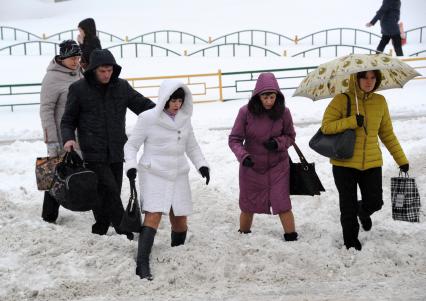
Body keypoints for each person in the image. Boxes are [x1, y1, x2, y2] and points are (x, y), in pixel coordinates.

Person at [61, 49, 155, 239]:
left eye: (109, 71)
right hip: (92, 151)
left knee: (107, 191)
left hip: (117, 150)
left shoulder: (122, 87)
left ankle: (100, 227)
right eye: (102, 71)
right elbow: (67, 120)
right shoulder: (79, 89)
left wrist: (165, 111)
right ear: (93, 70)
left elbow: (143, 106)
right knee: (110, 191)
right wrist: (68, 138)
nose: (106, 75)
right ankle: (126, 230)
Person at [124, 80, 210, 280]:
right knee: (153, 214)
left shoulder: (184, 119)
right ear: (164, 99)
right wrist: (131, 166)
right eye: (173, 100)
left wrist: (202, 164)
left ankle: (177, 254)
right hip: (153, 172)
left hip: (178, 173)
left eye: (180, 100)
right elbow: (131, 146)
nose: (176, 105)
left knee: (180, 220)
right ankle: (142, 263)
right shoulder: (147, 118)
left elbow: (192, 146)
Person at [321, 70, 409, 251]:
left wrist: (401, 160)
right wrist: (351, 121)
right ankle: (351, 241)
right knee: (348, 206)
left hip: (372, 163)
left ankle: (363, 211)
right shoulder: (342, 99)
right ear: (356, 78)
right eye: (364, 77)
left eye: (373, 78)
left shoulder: (380, 101)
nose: (369, 82)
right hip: (344, 163)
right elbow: (326, 127)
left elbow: (387, 134)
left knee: (375, 201)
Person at [228, 72, 297, 242]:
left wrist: (278, 143)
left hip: (278, 167)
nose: (268, 101)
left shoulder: (284, 112)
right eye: (264, 97)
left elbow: (290, 136)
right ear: (257, 96)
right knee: (247, 205)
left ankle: (291, 237)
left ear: (277, 96)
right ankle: (243, 235)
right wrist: (244, 156)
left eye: (272, 97)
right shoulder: (245, 112)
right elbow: (234, 139)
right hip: (251, 167)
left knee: (282, 203)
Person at [39, 39, 82, 223]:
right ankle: (48, 216)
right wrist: (51, 140)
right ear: (62, 57)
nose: (75, 61)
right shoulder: (51, 78)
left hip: (79, 134)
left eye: (78, 57)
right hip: (59, 134)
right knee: (53, 173)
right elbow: (46, 109)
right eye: (72, 57)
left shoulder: (80, 73)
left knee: (78, 172)